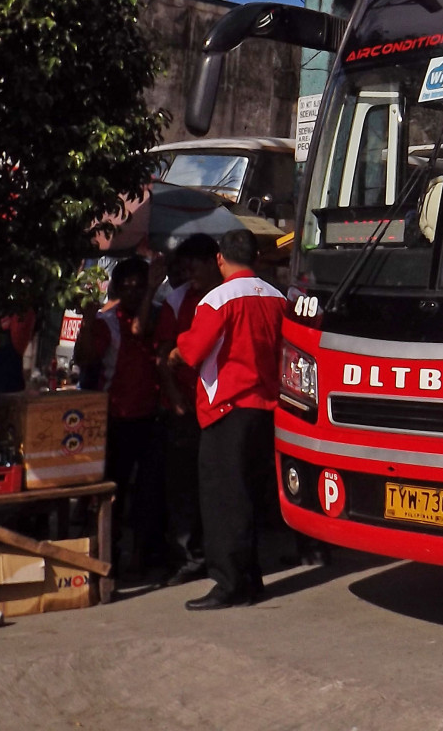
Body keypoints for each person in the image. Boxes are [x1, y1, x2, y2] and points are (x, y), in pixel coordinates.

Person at [171, 228, 285, 609]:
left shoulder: (217, 299)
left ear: (220, 258)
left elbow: (193, 350)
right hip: (266, 409)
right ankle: (250, 579)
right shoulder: (276, 296)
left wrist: (175, 351)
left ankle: (228, 583)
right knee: (249, 497)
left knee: (223, 501)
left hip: (228, 408)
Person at [75, 255, 167, 575]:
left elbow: (142, 330)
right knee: (112, 491)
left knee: (149, 493)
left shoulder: (155, 316)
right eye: (126, 287)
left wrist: (151, 290)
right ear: (115, 288)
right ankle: (106, 554)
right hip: (116, 418)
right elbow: (84, 357)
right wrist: (87, 320)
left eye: (139, 287)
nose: (132, 293)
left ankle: (144, 556)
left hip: (149, 418)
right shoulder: (107, 322)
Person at [152, 233, 220, 586]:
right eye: (184, 267)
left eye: (194, 266)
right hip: (185, 409)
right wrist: (175, 396)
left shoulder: (226, 296)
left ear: (214, 263)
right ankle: (189, 557)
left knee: (215, 487)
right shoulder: (177, 301)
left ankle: (215, 555)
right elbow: (163, 353)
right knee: (182, 489)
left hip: (218, 408)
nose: (188, 273)